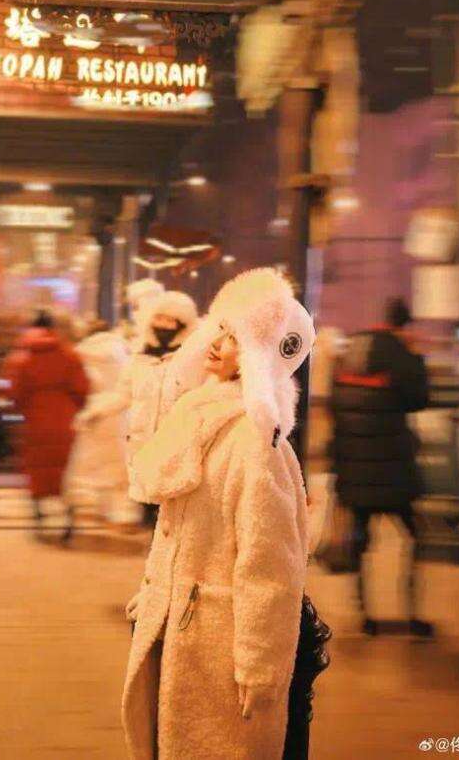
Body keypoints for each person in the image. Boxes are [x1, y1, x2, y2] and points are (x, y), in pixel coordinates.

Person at [122, 268, 315, 760]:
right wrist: (154, 593)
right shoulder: (198, 420)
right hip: (184, 628)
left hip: (220, 645)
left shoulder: (253, 444)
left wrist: (260, 665)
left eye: (235, 337)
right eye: (221, 329)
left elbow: (270, 566)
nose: (217, 344)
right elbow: (178, 530)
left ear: (256, 356)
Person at [331, 296, 432, 636]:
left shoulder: (350, 349)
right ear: (405, 323)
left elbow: (336, 406)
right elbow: (421, 399)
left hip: (355, 468)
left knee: (361, 540)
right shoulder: (401, 353)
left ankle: (366, 616)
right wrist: (416, 356)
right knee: (415, 536)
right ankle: (412, 614)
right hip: (392, 470)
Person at [80, 291, 198, 527]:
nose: (163, 325)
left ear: (183, 324)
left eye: (170, 320)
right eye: (159, 318)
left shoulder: (192, 360)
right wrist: (97, 411)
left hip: (176, 443)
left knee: (173, 511)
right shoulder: (138, 359)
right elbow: (122, 395)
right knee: (147, 507)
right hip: (143, 444)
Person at [2, 310, 89, 540]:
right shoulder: (69, 354)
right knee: (66, 472)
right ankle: (69, 520)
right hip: (64, 422)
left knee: (36, 470)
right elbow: (82, 389)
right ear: (53, 329)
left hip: (34, 423)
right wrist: (72, 409)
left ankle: (39, 518)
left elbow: (14, 393)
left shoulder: (20, 358)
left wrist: (22, 410)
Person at [64, 320, 136, 525]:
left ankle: (90, 505)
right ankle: (122, 514)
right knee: (118, 464)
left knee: (90, 463)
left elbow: (82, 385)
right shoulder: (124, 351)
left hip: (92, 412)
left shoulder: (80, 354)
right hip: (119, 412)